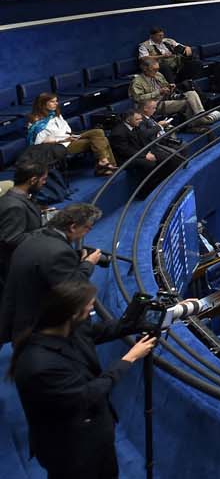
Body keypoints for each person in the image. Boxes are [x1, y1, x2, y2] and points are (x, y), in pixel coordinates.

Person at [10, 279, 159, 479]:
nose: (91, 311)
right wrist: (129, 358)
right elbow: (86, 395)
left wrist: (134, 322)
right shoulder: (39, 365)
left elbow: (100, 331)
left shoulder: (66, 328)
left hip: (96, 439)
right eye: (88, 309)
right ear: (72, 314)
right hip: (71, 451)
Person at [26, 93, 117, 175]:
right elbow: (40, 143)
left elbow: (65, 128)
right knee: (100, 140)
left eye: (56, 101)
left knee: (98, 132)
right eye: (52, 102)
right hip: (60, 146)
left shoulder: (55, 114)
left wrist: (70, 135)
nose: (56, 103)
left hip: (69, 137)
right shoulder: (36, 121)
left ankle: (103, 162)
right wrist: (63, 139)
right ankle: (106, 165)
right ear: (43, 104)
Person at [107, 105, 185, 185]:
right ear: (127, 120)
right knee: (150, 163)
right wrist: (144, 155)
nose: (140, 121)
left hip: (139, 152)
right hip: (127, 158)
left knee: (168, 156)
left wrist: (149, 151)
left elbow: (142, 139)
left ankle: (169, 181)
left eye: (141, 118)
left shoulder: (135, 125)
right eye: (137, 119)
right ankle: (147, 188)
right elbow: (125, 151)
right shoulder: (118, 133)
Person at [0, 161, 48, 284]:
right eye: (43, 179)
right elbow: (12, 238)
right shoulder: (14, 206)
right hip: (15, 267)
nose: (44, 183)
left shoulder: (21, 197)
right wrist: (46, 232)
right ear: (32, 180)